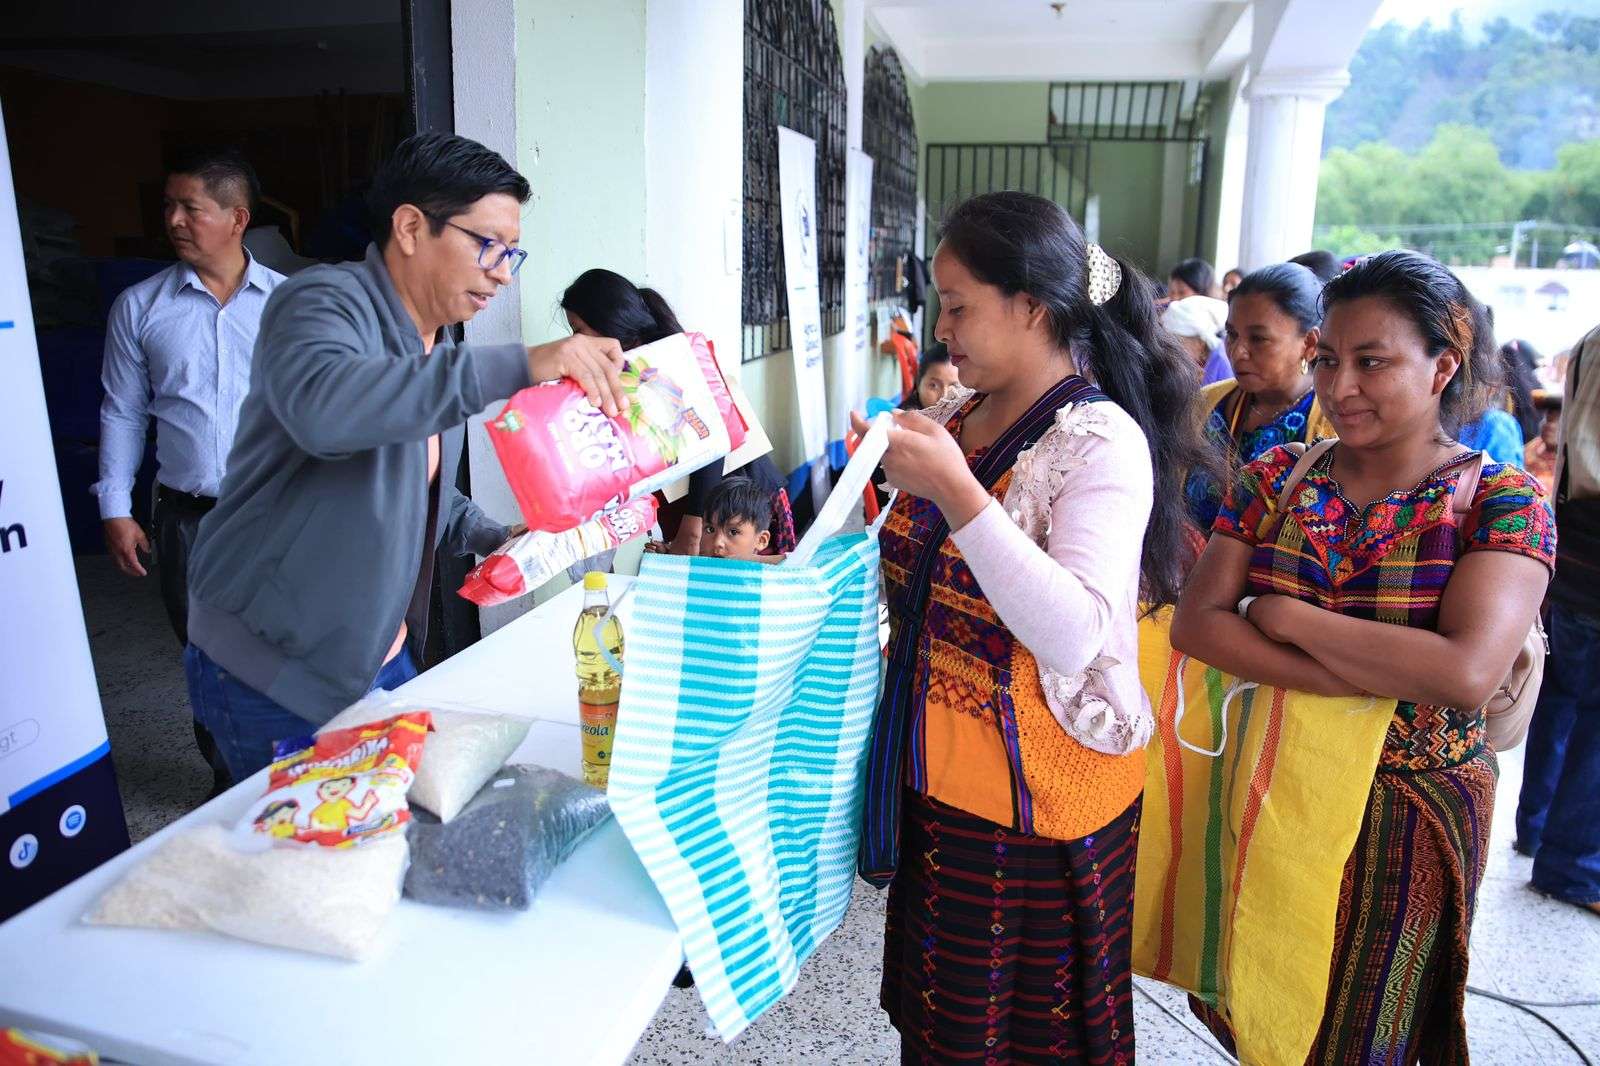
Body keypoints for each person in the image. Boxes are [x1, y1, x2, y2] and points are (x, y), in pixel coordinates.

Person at [855, 191, 1213, 1063]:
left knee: (1022, 1041)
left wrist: (957, 492)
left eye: (960, 305)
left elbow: (1077, 634)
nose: (944, 328)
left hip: (1035, 803)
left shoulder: (1099, 440)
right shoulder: (950, 419)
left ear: (1032, 307)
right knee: (942, 1033)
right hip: (938, 779)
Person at [1171, 250, 1555, 1062]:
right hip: (1275, 782)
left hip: (1407, 812)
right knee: (1273, 1000)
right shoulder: (1276, 476)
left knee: (1368, 1029)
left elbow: (1463, 674)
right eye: (1328, 360)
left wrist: (1283, 617)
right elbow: (1198, 626)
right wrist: (1371, 670)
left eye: (1372, 362)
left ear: (1443, 365)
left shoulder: (1501, 501)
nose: (1340, 387)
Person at [183, 133, 627, 781]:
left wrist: (492, 534)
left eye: (513, 252)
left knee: (374, 836)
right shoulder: (318, 303)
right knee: (299, 865)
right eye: (489, 245)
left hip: (375, 656)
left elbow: (409, 478)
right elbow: (329, 409)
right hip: (270, 668)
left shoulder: (432, 337)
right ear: (412, 227)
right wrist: (527, 363)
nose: (503, 271)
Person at [94, 147, 285, 794]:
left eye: (190, 207)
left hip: (280, 512)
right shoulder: (140, 308)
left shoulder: (289, 306)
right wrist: (115, 507)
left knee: (291, 650)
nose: (173, 219)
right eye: (168, 206)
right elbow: (122, 412)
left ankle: (298, 776)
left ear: (237, 218)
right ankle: (229, 784)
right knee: (209, 660)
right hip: (188, 520)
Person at [560, 268, 795, 557]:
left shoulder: (664, 362)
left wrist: (693, 530)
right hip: (694, 507)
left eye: (579, 331)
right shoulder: (624, 370)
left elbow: (711, 443)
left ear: (609, 323)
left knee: (732, 591)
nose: (574, 342)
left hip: (735, 510)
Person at [1516, 324, 1600, 918]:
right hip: (1591, 549)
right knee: (1590, 718)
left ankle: (1537, 828)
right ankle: (1570, 864)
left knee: (1561, 696)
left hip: (1576, 544)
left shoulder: (1594, 338)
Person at [1183, 263, 1335, 532]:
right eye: (1231, 335)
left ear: (1310, 344)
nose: (1238, 351)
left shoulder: (1332, 422)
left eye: (1259, 339)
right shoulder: (1205, 402)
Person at [697, 476, 775, 559]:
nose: (717, 543)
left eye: (733, 532)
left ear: (761, 540)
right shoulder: (689, 569)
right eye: (710, 529)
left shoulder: (770, 571)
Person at [1160, 293, 1230, 384]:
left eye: (1177, 342)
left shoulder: (1220, 366)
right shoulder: (1202, 364)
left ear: (1200, 344)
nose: (1170, 349)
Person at [1523, 391, 1561, 494]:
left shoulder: (1572, 458)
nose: (1550, 425)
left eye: (1558, 421)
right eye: (1548, 419)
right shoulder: (1532, 447)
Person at [903, 343, 960, 410]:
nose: (944, 397)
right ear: (918, 383)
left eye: (954, 387)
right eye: (933, 385)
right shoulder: (897, 418)